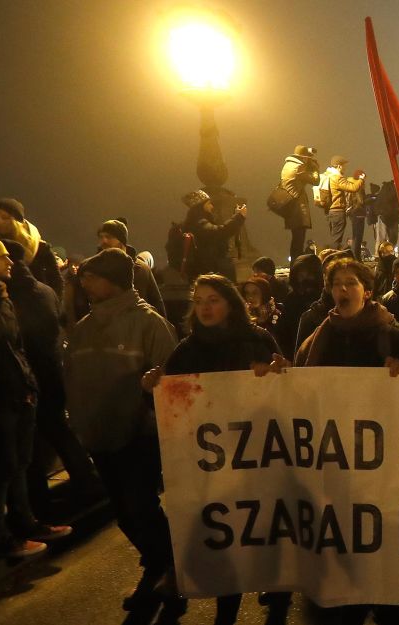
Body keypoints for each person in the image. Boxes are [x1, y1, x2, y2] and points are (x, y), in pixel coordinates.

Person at [142, 274, 289, 625]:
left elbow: (289, 392)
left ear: (230, 304)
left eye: (213, 300)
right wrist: (152, 389)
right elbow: (171, 405)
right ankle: (226, 612)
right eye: (199, 301)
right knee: (228, 537)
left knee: (270, 530)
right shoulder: (188, 349)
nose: (205, 308)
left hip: (259, 457)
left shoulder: (258, 339)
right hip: (215, 464)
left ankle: (280, 602)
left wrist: (275, 373)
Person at [63, 248, 181, 615]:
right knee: (124, 513)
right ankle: (160, 563)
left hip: (138, 436)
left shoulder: (149, 324)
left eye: (92, 277)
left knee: (140, 506)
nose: (84, 284)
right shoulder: (83, 328)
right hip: (99, 436)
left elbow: (172, 381)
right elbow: (73, 378)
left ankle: (172, 570)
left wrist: (149, 422)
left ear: (112, 280)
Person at [0, 232, 70, 559]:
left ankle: (26, 524)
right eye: (1, 257)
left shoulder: (2, 297)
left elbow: (15, 348)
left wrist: (27, 385)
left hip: (19, 395)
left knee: (19, 465)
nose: (10, 262)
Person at [1, 240, 100, 517]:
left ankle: (35, 508)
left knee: (28, 445)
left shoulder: (13, 297)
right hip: (49, 371)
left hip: (28, 378)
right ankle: (86, 480)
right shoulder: (43, 290)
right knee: (58, 431)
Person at [294, 259, 399, 371]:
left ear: (367, 293)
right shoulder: (319, 337)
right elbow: (298, 374)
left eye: (351, 283)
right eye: (337, 283)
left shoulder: (392, 338)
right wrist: (284, 369)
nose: (343, 288)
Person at [0, 198, 63, 297]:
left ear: (18, 221)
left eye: (5, 218)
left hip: (35, 303)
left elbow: (56, 281)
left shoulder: (40, 248)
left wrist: (51, 304)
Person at [95, 219, 166, 315]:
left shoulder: (141, 269)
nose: (104, 241)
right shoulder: (97, 270)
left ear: (121, 240)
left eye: (109, 237)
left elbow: (156, 302)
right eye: (101, 237)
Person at [180, 190, 247, 282]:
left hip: (207, 272)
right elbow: (220, 233)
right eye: (209, 204)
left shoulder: (195, 222)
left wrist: (236, 216)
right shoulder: (199, 223)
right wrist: (239, 217)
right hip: (209, 273)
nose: (212, 206)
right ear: (201, 206)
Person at [275, 254, 323, 360]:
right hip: (295, 353)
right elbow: (284, 332)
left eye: (309, 275)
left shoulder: (325, 298)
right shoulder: (292, 299)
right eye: (301, 276)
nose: (305, 280)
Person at [279, 145, 320, 262]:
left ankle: (295, 267)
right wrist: (315, 168)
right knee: (298, 241)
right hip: (296, 207)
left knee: (296, 240)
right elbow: (315, 181)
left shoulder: (288, 165)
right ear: (304, 158)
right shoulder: (298, 168)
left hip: (290, 206)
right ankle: (297, 268)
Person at [321, 156, 364, 250]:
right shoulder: (337, 177)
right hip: (338, 211)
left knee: (334, 237)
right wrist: (361, 179)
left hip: (330, 211)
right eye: (344, 166)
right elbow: (353, 188)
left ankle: (331, 258)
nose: (345, 168)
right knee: (336, 239)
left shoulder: (328, 176)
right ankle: (333, 260)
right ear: (339, 166)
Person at [241, 276, 283, 341]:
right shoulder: (244, 316)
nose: (250, 297)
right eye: (247, 293)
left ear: (264, 294)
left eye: (255, 293)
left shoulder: (277, 316)